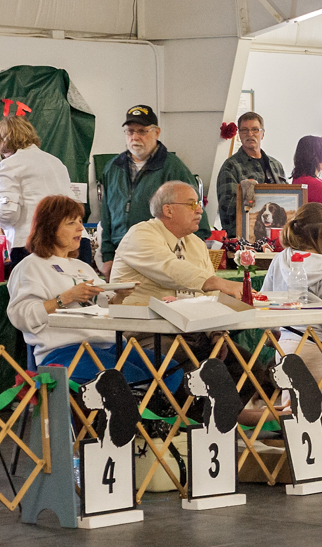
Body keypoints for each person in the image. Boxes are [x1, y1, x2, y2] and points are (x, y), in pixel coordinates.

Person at [5, 194, 165, 385]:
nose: (81, 228)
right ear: (50, 227)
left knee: (168, 369)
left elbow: (102, 309)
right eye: (71, 222)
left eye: (80, 221)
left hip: (109, 344)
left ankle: (148, 411)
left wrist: (118, 297)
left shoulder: (82, 267)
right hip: (65, 350)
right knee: (134, 379)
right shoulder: (30, 267)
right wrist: (65, 298)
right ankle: (133, 412)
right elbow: (21, 317)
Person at [261, 203, 322, 410]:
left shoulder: (279, 260)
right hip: (317, 348)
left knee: (292, 413)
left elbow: (265, 300)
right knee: (319, 414)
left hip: (284, 346)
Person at [99, 105, 210, 277]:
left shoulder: (173, 168)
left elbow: (195, 216)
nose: (135, 137)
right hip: (120, 256)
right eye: (130, 131)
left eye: (142, 131)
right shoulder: (113, 167)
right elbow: (106, 215)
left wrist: (189, 258)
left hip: (160, 260)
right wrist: (107, 256)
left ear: (156, 132)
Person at [110, 182, 241, 305]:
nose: (200, 210)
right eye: (192, 204)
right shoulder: (139, 234)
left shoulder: (196, 243)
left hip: (190, 324)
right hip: (141, 324)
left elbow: (211, 295)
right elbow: (170, 268)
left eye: (199, 204)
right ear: (168, 210)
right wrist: (221, 283)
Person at [0, 115, 73, 274]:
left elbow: (8, 214)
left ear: (4, 140)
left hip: (33, 245)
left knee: (33, 299)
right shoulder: (56, 162)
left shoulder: (9, 165)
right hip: (71, 243)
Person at [215, 112, 287, 239]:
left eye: (255, 130)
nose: (250, 134)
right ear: (239, 135)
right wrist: (255, 197)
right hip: (244, 240)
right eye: (244, 130)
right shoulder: (231, 166)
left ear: (262, 133)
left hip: (277, 240)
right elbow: (226, 208)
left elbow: (288, 199)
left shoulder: (276, 165)